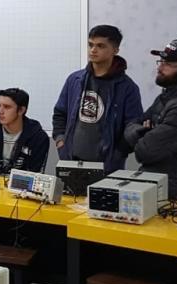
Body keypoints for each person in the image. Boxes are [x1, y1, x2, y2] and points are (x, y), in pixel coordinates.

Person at [53, 24, 143, 173]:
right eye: (90, 45)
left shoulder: (127, 88)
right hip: (70, 161)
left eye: (100, 46)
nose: (93, 50)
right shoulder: (74, 79)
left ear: (115, 50)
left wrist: (118, 153)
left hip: (107, 167)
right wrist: (60, 141)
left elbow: (133, 127)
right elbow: (60, 113)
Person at [125, 40, 177, 200]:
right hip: (158, 188)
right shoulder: (165, 97)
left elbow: (146, 152)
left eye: (168, 64)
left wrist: (143, 135)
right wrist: (145, 133)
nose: (160, 67)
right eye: (161, 61)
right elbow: (131, 126)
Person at [0, 88, 50, 174]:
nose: (0, 111)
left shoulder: (38, 138)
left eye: (7, 107)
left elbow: (35, 174)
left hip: (21, 186)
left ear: (21, 110)